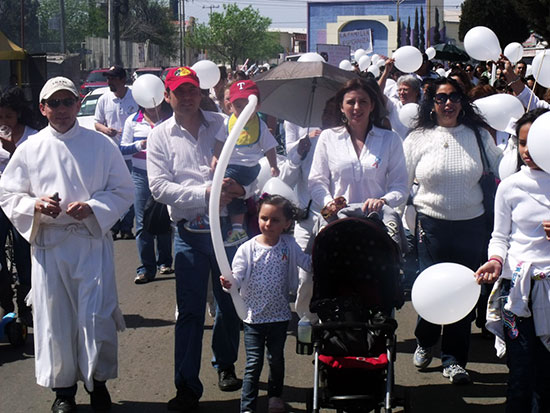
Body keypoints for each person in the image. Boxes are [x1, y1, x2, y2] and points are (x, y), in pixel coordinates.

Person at [0, 77, 133, 413]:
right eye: (53, 103)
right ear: (43, 108)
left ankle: (97, 383)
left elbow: (123, 190)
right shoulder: (30, 148)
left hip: (89, 242)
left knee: (95, 317)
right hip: (51, 246)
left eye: (67, 101)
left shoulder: (102, 146)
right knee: (55, 319)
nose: (60, 109)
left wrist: (94, 207)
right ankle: (64, 390)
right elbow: (8, 193)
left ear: (78, 104)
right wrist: (35, 205)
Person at [146, 66, 245, 412]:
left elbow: (252, 163)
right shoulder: (159, 136)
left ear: (201, 92)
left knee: (229, 304)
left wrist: (240, 187)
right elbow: (159, 187)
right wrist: (206, 193)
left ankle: (226, 364)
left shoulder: (223, 123)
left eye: (192, 90)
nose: (187, 97)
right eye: (180, 91)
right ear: (167, 96)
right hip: (188, 233)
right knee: (189, 313)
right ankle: (186, 385)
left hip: (229, 233)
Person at [403, 77, 503, 385]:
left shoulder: (478, 135)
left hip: (472, 226)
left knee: (464, 291)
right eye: (441, 98)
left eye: (455, 97)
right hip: (430, 226)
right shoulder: (418, 138)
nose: (448, 103)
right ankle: (425, 339)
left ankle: (455, 360)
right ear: (431, 104)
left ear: (463, 102)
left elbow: (503, 168)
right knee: (431, 288)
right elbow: (401, 184)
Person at [475, 108, 550, 412]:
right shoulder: (509, 185)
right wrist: (495, 260)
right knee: (519, 370)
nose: (527, 151)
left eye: (534, 142)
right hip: (514, 292)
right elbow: (500, 235)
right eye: (521, 143)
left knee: (547, 372)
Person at [220, 194, 312, 413]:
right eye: (264, 218)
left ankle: (275, 397)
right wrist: (229, 283)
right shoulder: (247, 248)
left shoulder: (289, 245)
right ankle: (247, 407)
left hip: (279, 317)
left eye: (275, 220)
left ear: (287, 224)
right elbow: (237, 276)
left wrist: (325, 260)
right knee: (253, 364)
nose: (268, 224)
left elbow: (307, 263)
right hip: (253, 317)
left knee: (276, 360)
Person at [309, 77, 408, 230]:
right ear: (341, 106)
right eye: (350, 102)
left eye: (363, 102)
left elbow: (400, 186)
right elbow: (316, 181)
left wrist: (383, 200)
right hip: (338, 224)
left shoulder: (390, 139)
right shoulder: (328, 137)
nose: (357, 107)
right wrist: (328, 202)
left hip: (375, 224)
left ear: (372, 105)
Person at [206, 79, 279, 247]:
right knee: (233, 194)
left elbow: (270, 147)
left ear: (257, 106)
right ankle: (237, 227)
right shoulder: (227, 122)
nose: (243, 110)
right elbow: (219, 141)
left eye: (248, 105)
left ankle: (210, 215)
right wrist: (216, 157)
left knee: (221, 184)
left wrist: (273, 165)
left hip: (248, 168)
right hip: (230, 165)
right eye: (239, 106)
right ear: (230, 106)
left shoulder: (259, 126)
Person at [120, 100, 174, 284]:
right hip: (141, 175)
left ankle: (165, 262)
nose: (152, 107)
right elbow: (123, 148)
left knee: (164, 218)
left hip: (164, 173)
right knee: (142, 222)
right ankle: (146, 267)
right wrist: (139, 145)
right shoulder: (133, 121)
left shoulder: (169, 119)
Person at [0, 87, 37, 326]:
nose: (4, 122)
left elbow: (35, 171)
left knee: (24, 255)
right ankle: (6, 305)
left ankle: (26, 306)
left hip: (23, 202)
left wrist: (13, 149)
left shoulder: (33, 138)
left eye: (9, 117)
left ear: (19, 116)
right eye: (0, 117)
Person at [94, 65, 138, 240]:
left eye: (112, 78)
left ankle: (127, 226)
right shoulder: (104, 99)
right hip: (111, 153)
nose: (109, 81)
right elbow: (97, 123)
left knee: (131, 191)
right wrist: (106, 130)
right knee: (111, 191)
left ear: (122, 80)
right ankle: (113, 225)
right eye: (108, 78)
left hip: (132, 154)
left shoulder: (134, 97)